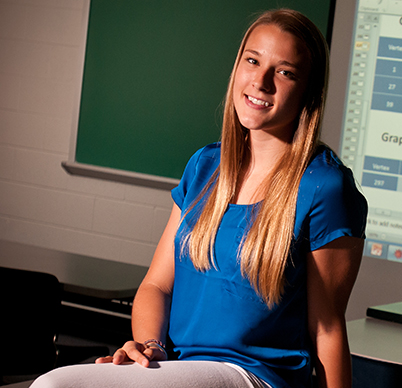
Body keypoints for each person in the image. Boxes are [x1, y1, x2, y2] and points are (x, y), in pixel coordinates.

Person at [31, 8, 367, 388]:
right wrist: (149, 346)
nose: (260, 81)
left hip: (255, 375)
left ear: (309, 89)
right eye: (252, 61)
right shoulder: (206, 165)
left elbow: (327, 330)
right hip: (178, 366)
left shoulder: (325, 186)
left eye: (284, 72)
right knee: (55, 383)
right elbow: (156, 286)